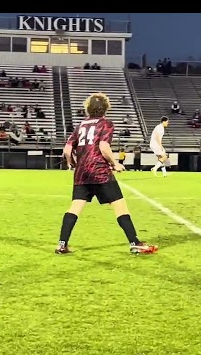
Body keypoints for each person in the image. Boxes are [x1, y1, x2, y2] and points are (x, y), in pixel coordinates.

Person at [55, 93, 157, 255]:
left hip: (82, 173)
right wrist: (115, 163)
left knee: (75, 207)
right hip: (100, 171)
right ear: (105, 108)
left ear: (88, 108)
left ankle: (62, 244)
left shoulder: (81, 125)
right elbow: (103, 146)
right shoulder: (106, 124)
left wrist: (72, 163)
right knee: (120, 206)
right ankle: (135, 242)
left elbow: (67, 149)